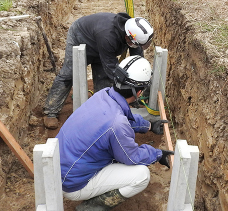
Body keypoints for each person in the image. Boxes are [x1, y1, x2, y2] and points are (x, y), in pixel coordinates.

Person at [56, 55, 174, 211]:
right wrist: (157, 154)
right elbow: (132, 157)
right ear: (139, 92)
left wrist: (149, 126)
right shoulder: (117, 124)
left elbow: (121, 118)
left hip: (58, 169)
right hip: (72, 184)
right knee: (142, 175)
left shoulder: (104, 95)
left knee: (112, 147)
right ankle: (92, 207)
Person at [44, 12, 154, 129]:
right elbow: (111, 68)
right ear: (128, 36)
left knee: (103, 78)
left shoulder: (133, 33)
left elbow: (137, 59)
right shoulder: (109, 36)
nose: (135, 46)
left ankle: (102, 111)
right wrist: (129, 90)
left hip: (100, 43)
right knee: (69, 73)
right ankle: (51, 111)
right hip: (80, 37)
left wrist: (138, 84)